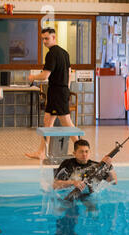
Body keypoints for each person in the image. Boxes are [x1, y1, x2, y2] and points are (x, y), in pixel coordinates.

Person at [25, 27, 77, 160]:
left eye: (47, 38)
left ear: (54, 37)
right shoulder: (64, 53)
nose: (44, 41)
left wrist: (32, 77)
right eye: (42, 39)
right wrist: (66, 88)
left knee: (66, 122)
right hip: (60, 90)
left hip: (58, 92)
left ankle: (80, 148)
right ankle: (42, 152)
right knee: (47, 122)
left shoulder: (51, 54)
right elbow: (70, 73)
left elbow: (44, 76)